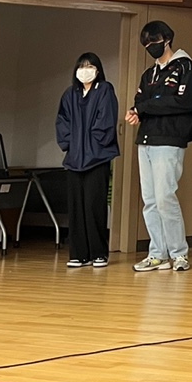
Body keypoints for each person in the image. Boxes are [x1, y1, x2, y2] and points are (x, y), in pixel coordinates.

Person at [126, 20, 192, 274]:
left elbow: (182, 102)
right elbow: (140, 99)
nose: (150, 47)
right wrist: (138, 110)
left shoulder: (184, 66)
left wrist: (146, 107)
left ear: (166, 40)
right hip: (146, 140)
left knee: (165, 197)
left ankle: (179, 253)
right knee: (149, 200)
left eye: (153, 42)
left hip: (169, 139)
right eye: (145, 44)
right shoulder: (149, 74)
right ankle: (157, 254)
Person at [56, 52, 119, 268]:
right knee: (76, 207)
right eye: (82, 66)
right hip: (74, 159)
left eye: (90, 66)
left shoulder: (105, 90)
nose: (85, 70)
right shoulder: (70, 94)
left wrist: (94, 144)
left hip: (97, 158)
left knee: (94, 206)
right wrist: (71, 144)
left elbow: (106, 121)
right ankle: (78, 254)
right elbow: (62, 121)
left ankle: (98, 253)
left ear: (98, 70)